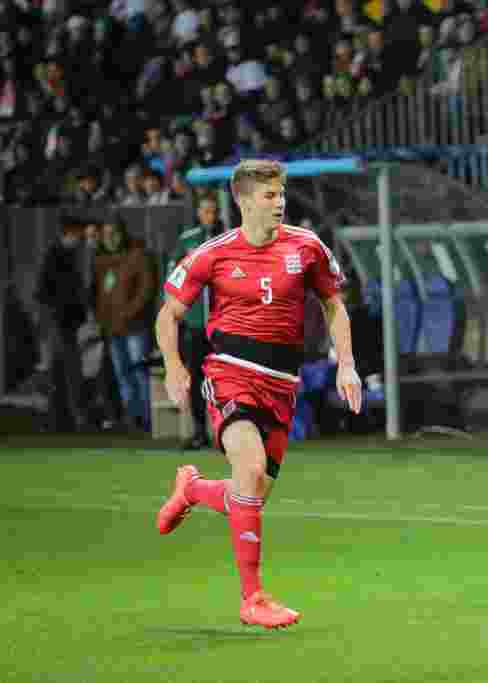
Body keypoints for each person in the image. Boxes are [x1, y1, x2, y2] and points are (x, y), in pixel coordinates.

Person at [154, 159, 363, 629]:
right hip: (230, 374)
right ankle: (253, 599)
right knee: (248, 471)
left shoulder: (307, 247)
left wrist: (346, 363)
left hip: (281, 385)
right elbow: (168, 314)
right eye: (270, 195)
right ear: (244, 200)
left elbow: (334, 305)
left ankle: (192, 489)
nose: (280, 202)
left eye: (282, 193)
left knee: (251, 493)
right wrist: (173, 366)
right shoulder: (214, 253)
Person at [166, 196, 224, 449]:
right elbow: (174, 276)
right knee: (198, 379)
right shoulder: (188, 239)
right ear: (199, 213)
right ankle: (200, 431)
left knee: (226, 381)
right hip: (195, 324)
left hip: (224, 324)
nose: (209, 215)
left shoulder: (230, 237)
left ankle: (226, 433)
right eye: (205, 211)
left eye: (213, 211)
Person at [94, 217, 158, 432]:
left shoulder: (139, 256)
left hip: (135, 328)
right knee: (123, 376)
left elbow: (146, 291)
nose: (110, 238)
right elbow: (99, 296)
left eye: (114, 233)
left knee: (139, 373)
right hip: (113, 330)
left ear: (123, 233)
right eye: (106, 234)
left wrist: (127, 314)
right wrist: (103, 320)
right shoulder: (102, 261)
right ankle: (134, 419)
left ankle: (149, 420)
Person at [35, 216, 88, 432]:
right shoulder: (57, 255)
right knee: (66, 371)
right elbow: (45, 291)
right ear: (70, 232)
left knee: (61, 371)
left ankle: (60, 419)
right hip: (60, 322)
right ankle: (68, 419)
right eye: (78, 232)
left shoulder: (66, 254)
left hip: (64, 322)